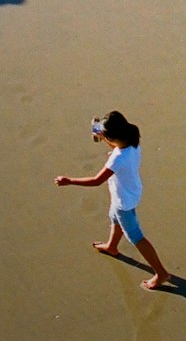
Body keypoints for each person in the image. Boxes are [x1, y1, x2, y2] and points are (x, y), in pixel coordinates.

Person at [55, 110, 170, 292]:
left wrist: (69, 181)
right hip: (129, 193)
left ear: (112, 136)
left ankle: (161, 273)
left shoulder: (117, 158)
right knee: (114, 217)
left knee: (136, 237)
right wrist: (101, 135)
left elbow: (96, 180)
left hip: (124, 201)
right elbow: (116, 146)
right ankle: (112, 246)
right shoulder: (132, 142)